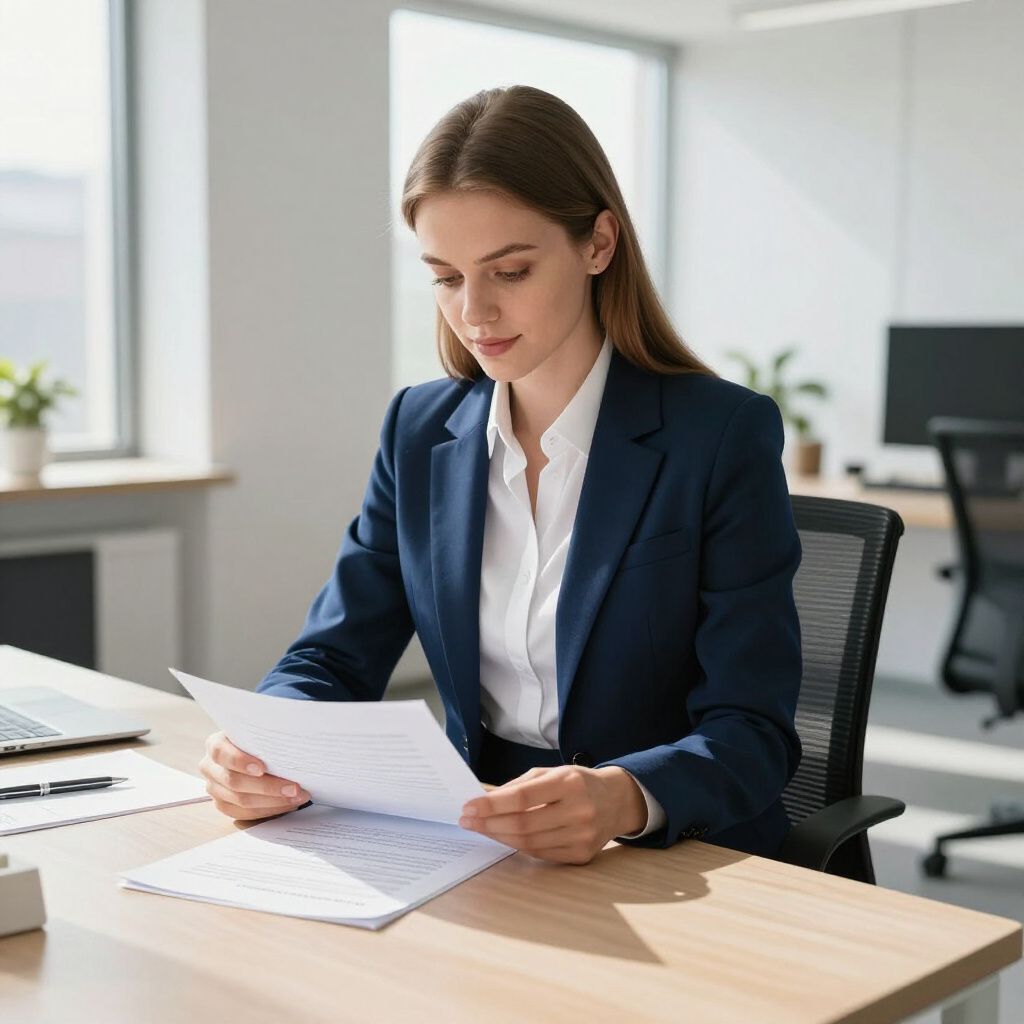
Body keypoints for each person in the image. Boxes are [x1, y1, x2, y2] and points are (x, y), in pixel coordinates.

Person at [198, 85, 802, 865]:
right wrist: (261, 745)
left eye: (509, 271)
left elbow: (752, 730)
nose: (474, 312)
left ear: (598, 244)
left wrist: (622, 795)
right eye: (446, 278)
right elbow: (331, 657)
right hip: (475, 836)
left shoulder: (717, 436)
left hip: (672, 854)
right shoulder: (420, 432)